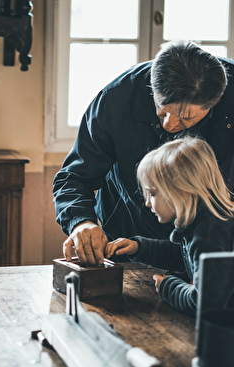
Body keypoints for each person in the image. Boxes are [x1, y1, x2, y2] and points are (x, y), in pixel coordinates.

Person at [53, 40, 234, 267]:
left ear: (213, 104)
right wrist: (82, 222)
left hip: (214, 249)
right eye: (162, 110)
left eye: (186, 118)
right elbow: (74, 177)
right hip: (129, 241)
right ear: (152, 87)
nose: (169, 124)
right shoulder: (115, 99)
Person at [105, 137, 234, 316]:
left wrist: (167, 286)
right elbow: (183, 255)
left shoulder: (209, 233)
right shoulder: (202, 221)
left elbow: (203, 305)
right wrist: (138, 248)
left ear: (180, 190)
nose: (148, 204)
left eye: (152, 194)